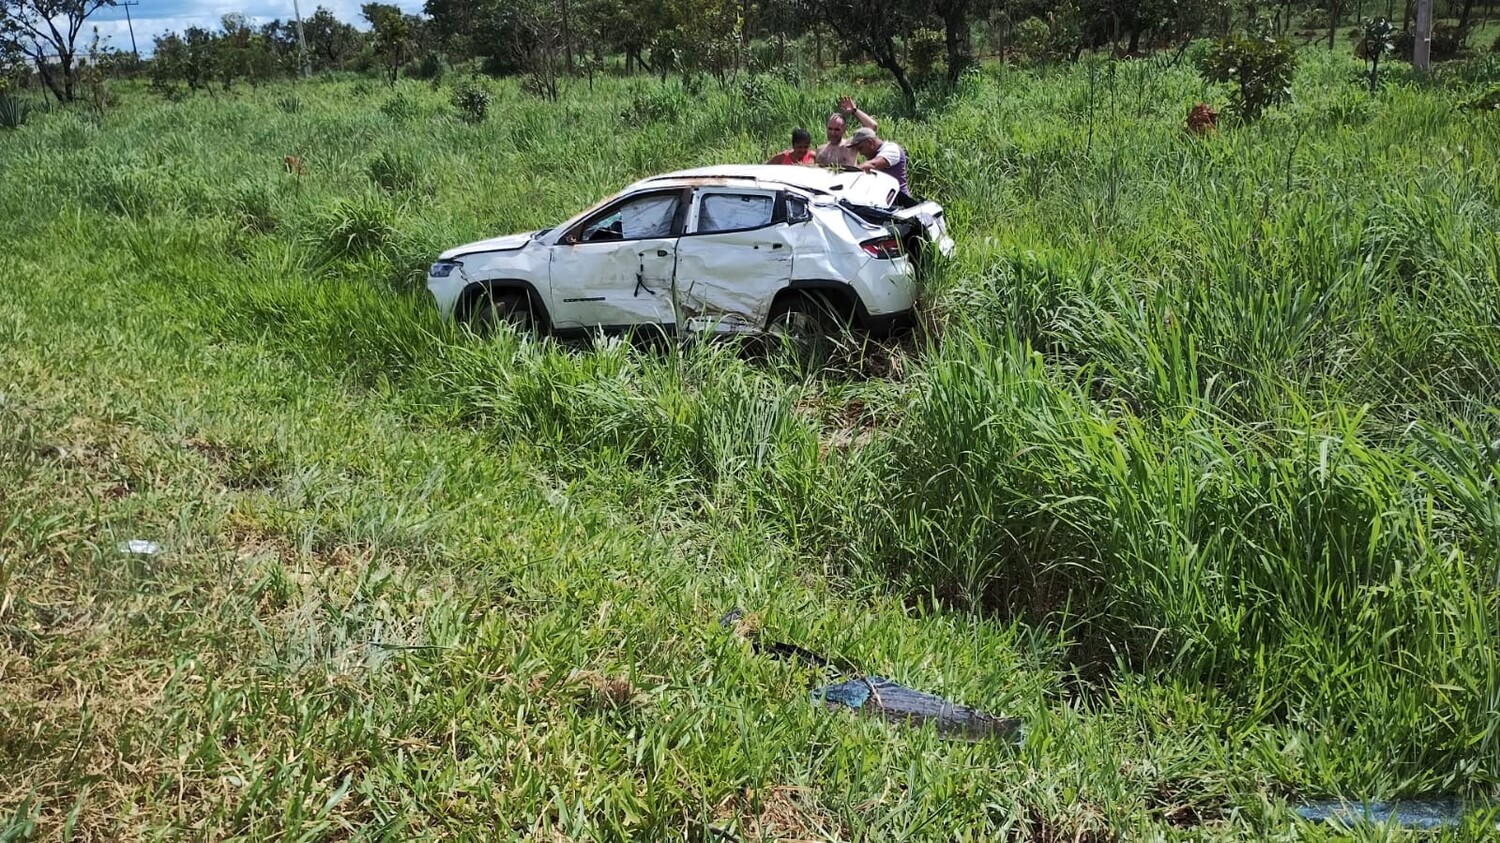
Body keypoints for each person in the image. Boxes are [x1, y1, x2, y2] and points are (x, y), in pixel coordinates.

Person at [814, 96, 877, 167]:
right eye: (830, 129)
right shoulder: (820, 150)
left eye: (837, 129)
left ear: (844, 130)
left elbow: (872, 127)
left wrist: (854, 110)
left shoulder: (849, 146)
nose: (832, 133)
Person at [844, 126, 909, 195]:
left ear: (870, 142)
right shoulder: (873, 155)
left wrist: (845, 173)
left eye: (860, 148)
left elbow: (872, 165)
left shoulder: (891, 149)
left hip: (899, 200)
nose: (860, 153)